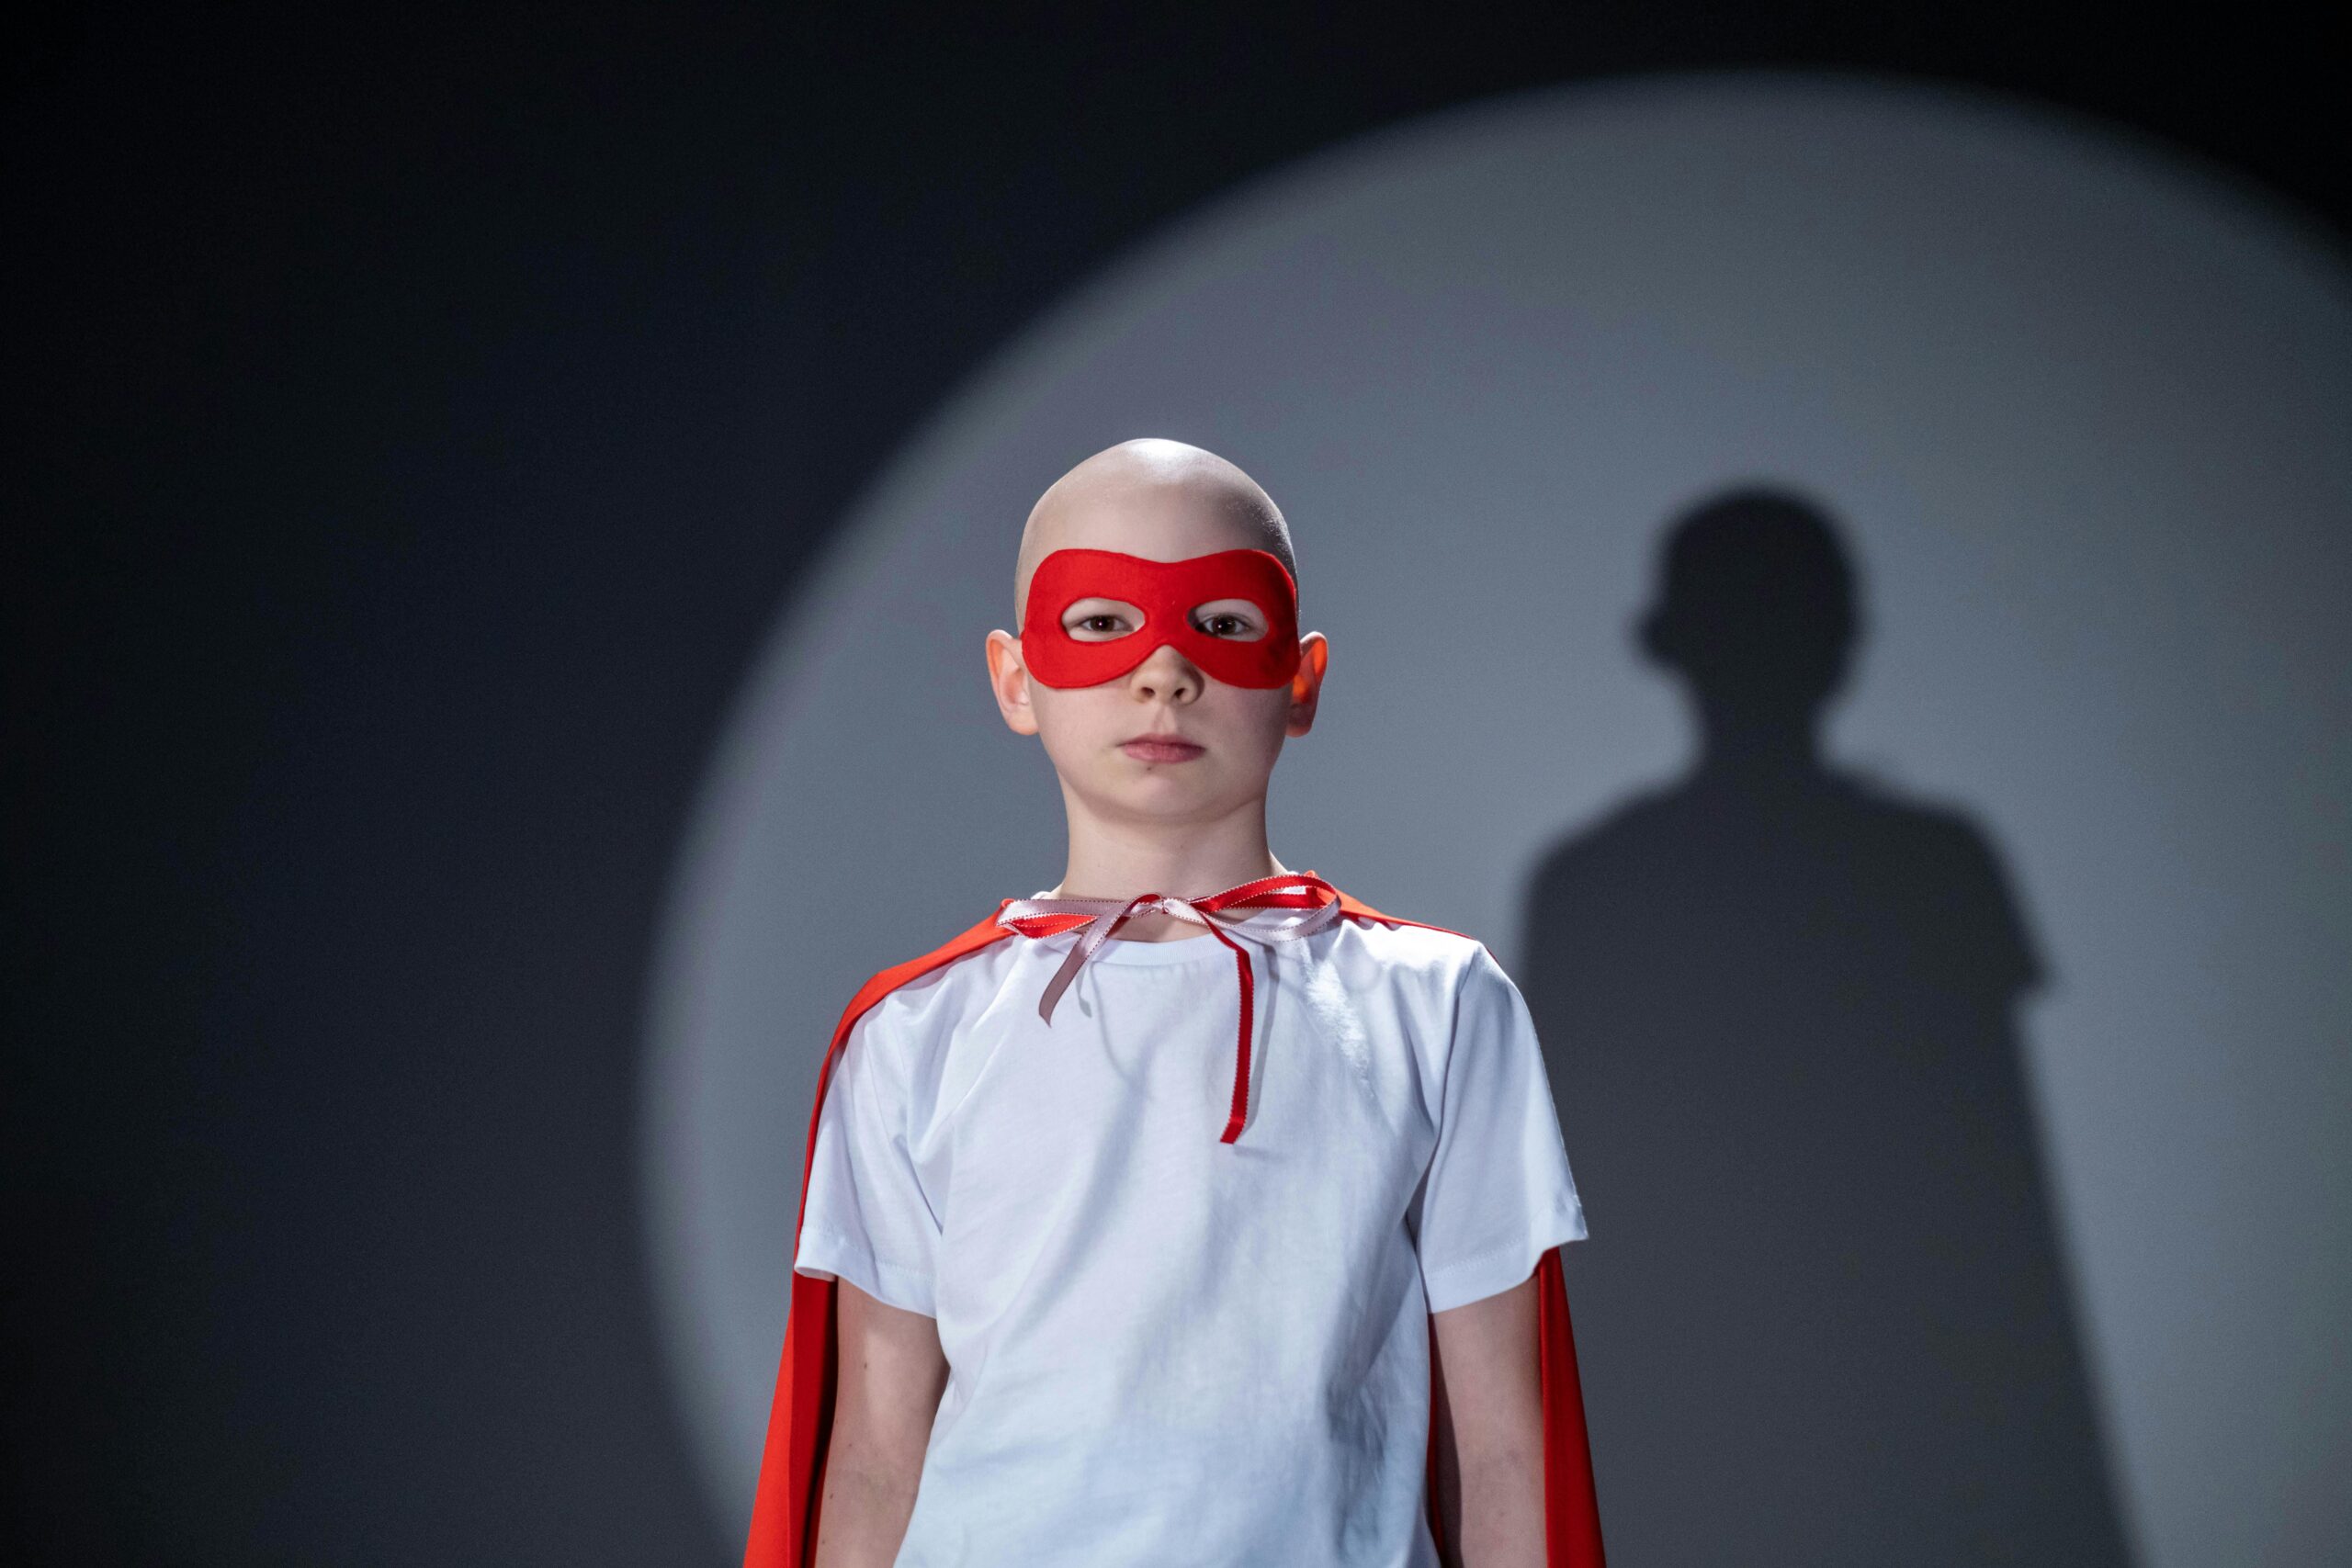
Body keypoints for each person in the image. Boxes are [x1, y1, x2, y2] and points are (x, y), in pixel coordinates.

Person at [742, 438, 1603, 1568]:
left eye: (1223, 622)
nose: (1163, 672)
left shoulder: (1437, 1007)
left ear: (1301, 679)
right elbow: (872, 1453)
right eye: (1101, 620)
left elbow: (1502, 1452)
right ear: (1015, 678)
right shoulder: (915, 1032)